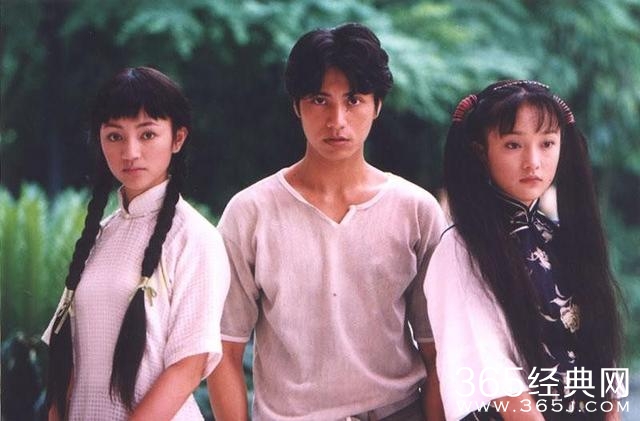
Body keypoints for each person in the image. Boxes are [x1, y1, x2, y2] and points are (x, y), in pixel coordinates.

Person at [207, 22, 447, 421]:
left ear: (377, 105)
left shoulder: (416, 210)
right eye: (320, 100)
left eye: (354, 100)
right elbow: (223, 348)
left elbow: (438, 350)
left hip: (398, 411)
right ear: (297, 105)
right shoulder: (251, 212)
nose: (337, 120)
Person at [425, 80, 622, 420]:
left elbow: (601, 349)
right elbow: (490, 371)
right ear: (481, 151)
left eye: (547, 143)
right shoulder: (460, 250)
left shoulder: (561, 239)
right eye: (513, 145)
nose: (533, 162)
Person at [42, 67, 230, 420]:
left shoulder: (196, 238)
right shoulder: (98, 236)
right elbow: (68, 364)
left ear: (177, 139)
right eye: (115, 136)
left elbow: (188, 367)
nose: (130, 152)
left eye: (147, 134)